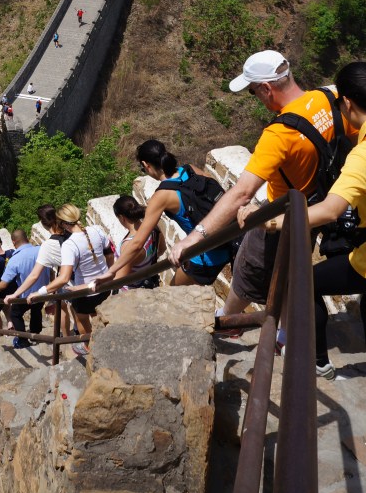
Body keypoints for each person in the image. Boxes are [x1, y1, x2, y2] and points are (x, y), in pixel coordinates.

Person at [170, 50, 357, 316]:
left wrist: (194, 237)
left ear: (267, 89)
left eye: (253, 91)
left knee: (251, 268)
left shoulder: (279, 134)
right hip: (325, 201)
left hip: (284, 212)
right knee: (296, 267)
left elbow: (242, 193)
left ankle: (230, 320)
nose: (256, 98)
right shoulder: (332, 96)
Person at [240, 62, 366, 379]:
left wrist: (269, 222)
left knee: (303, 283)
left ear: (348, 102)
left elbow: (329, 211)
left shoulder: (362, 156)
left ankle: (317, 361)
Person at [98, 141, 232, 290]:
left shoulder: (161, 196)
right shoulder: (190, 170)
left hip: (205, 256)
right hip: (228, 241)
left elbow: (136, 243)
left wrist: (111, 271)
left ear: (146, 165)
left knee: (170, 295)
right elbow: (221, 198)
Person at [28, 204, 114, 356]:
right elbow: (109, 254)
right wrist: (108, 274)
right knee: (98, 315)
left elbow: (64, 277)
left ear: (62, 223)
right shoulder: (97, 229)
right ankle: (106, 341)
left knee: (82, 318)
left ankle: (90, 347)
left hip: (84, 291)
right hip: (104, 286)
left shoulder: (70, 244)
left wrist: (40, 292)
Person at [4, 205, 72, 336]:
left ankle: (67, 341)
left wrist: (14, 294)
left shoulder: (47, 246)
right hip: (84, 278)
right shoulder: (72, 233)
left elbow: (34, 275)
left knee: (66, 307)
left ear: (42, 223)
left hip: (69, 281)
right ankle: (67, 338)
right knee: (67, 307)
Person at [0, 229, 49, 348]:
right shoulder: (41, 250)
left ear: (13, 241)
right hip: (42, 291)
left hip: (25, 294)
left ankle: (23, 340)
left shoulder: (15, 259)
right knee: (36, 310)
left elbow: (3, 284)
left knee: (15, 313)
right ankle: (36, 335)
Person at [112, 195, 163, 288]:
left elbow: (119, 280)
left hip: (133, 293)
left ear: (122, 217)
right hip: (151, 283)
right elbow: (162, 249)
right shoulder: (153, 227)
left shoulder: (128, 245)